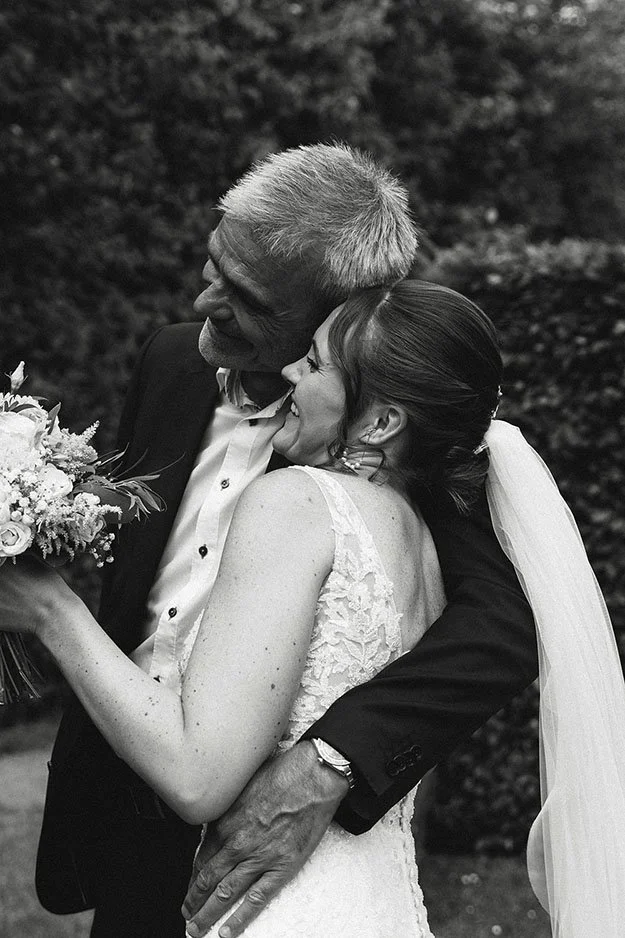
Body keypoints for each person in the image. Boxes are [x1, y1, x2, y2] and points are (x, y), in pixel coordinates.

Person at [3, 282, 624, 938]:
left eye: (314, 362)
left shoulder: (295, 502)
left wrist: (52, 610)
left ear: (381, 423)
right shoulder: (424, 543)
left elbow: (196, 777)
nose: (290, 373)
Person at [31, 144, 537, 938]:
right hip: (123, 804)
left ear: (339, 312)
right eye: (213, 266)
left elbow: (502, 627)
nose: (205, 301)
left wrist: (332, 758)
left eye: (247, 297)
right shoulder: (168, 360)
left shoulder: (400, 441)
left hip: (268, 832)